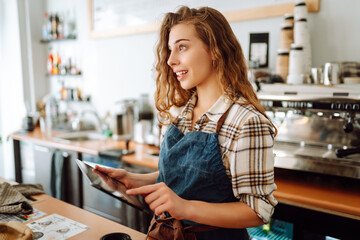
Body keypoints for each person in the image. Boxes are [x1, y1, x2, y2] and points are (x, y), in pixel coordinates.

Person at [95, 6, 277, 239]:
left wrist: (185, 208)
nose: (171, 60)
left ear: (215, 50)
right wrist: (134, 181)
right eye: (170, 50)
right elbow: (188, 178)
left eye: (182, 47)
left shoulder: (246, 122)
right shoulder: (178, 112)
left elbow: (257, 211)